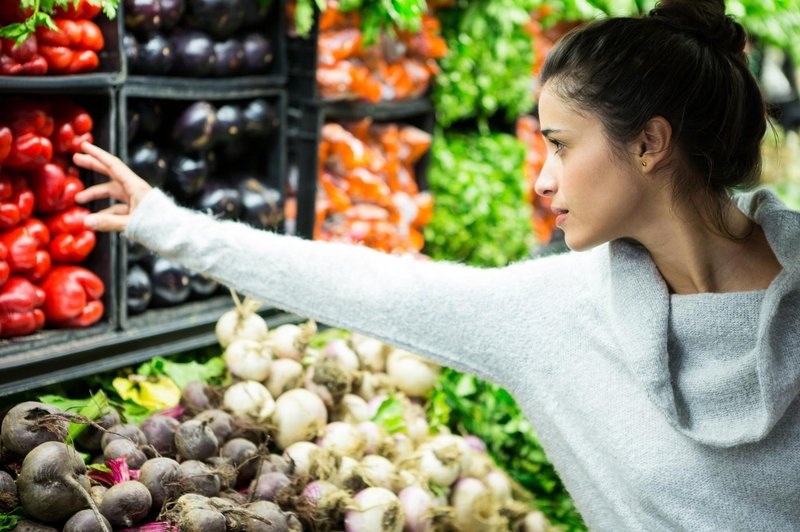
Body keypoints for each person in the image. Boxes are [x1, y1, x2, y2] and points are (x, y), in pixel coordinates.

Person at [73, 0, 800, 529]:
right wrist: (166, 226)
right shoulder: (553, 313)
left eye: (560, 145)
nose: (542, 181)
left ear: (649, 144)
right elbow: (373, 287)